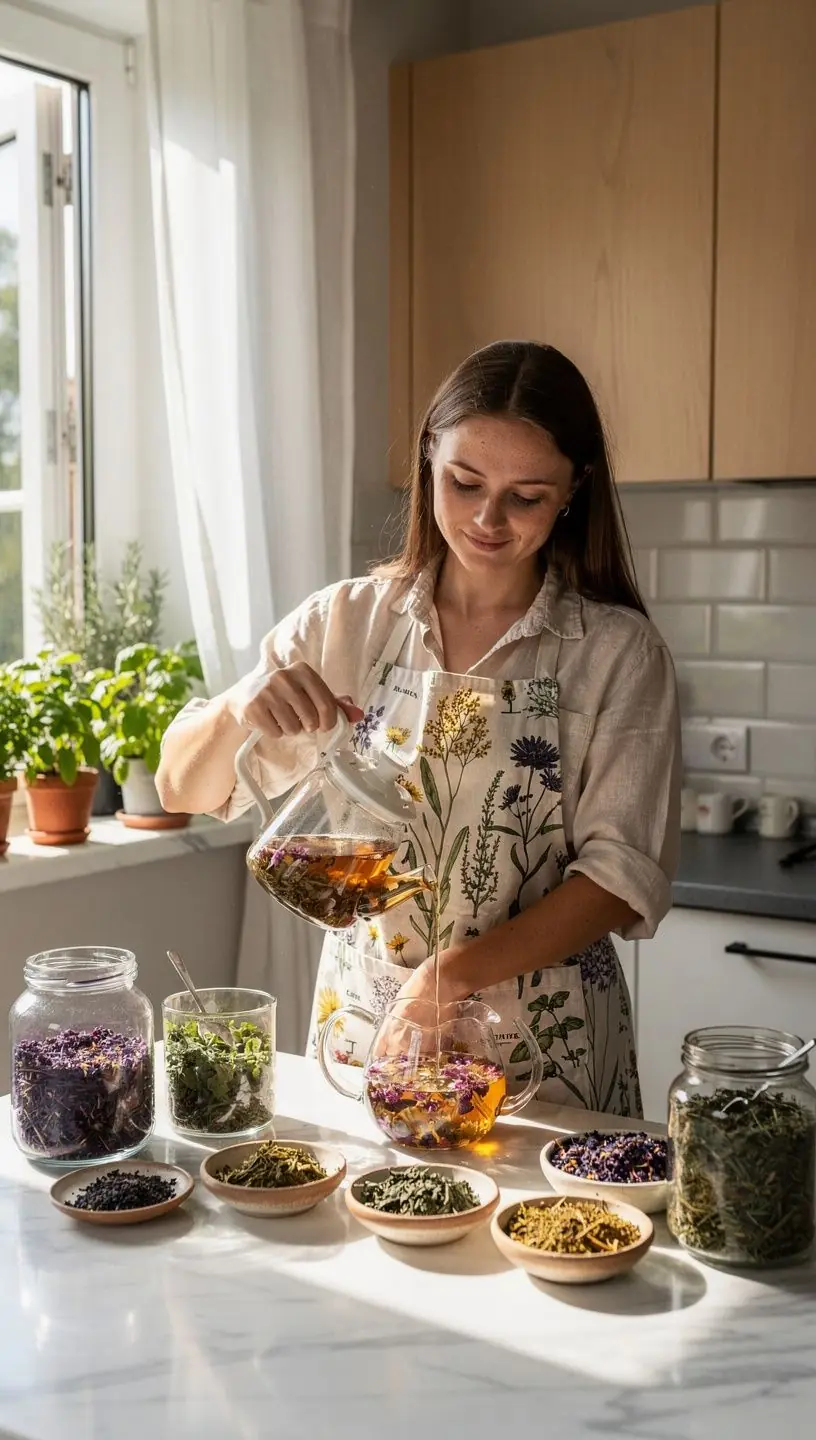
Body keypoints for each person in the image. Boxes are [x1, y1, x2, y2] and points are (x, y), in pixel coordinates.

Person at [157, 340, 681, 1117]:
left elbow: (619, 879)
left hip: (544, 1049)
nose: (487, 519)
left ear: (575, 489)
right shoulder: (347, 623)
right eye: (464, 482)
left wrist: (447, 978)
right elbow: (180, 787)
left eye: (526, 497)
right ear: (429, 455)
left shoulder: (616, 654)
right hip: (369, 1033)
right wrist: (241, 706)